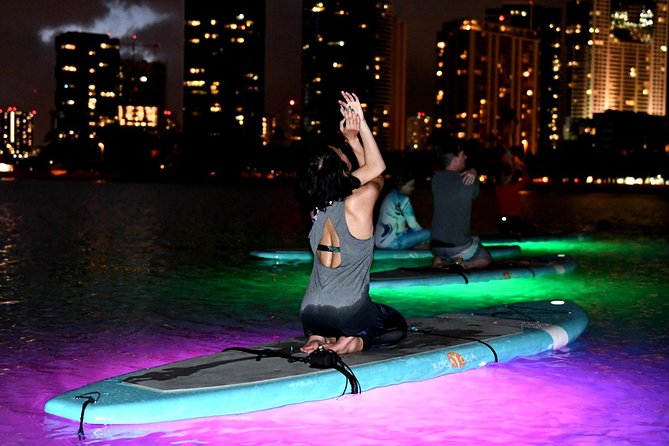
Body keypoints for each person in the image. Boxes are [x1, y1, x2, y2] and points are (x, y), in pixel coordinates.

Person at [299, 91, 407, 355]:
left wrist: (352, 142)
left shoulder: (315, 209)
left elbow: (368, 172)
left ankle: (316, 337)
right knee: (396, 324)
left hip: (309, 313)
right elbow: (378, 172)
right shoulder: (361, 199)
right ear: (344, 171)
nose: (346, 153)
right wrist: (358, 129)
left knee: (328, 310)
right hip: (348, 315)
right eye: (343, 154)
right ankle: (354, 342)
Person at [430, 141, 491, 270]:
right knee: (485, 258)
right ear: (455, 160)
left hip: (435, 246)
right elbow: (475, 193)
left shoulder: (435, 180)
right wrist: (474, 172)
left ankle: (439, 259)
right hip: (458, 247)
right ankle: (465, 264)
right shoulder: (467, 181)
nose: (466, 158)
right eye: (463, 155)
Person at [374, 173, 431, 249]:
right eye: (411, 185)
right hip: (393, 243)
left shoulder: (390, 196)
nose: (413, 188)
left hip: (379, 241)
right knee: (430, 234)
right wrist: (424, 239)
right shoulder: (403, 199)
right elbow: (413, 224)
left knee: (411, 232)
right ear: (402, 185)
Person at [494, 145, 536, 235]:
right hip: (514, 220)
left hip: (503, 220)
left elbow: (510, 174)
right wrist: (519, 165)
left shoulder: (499, 188)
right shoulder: (513, 187)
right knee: (531, 229)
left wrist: (511, 162)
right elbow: (527, 177)